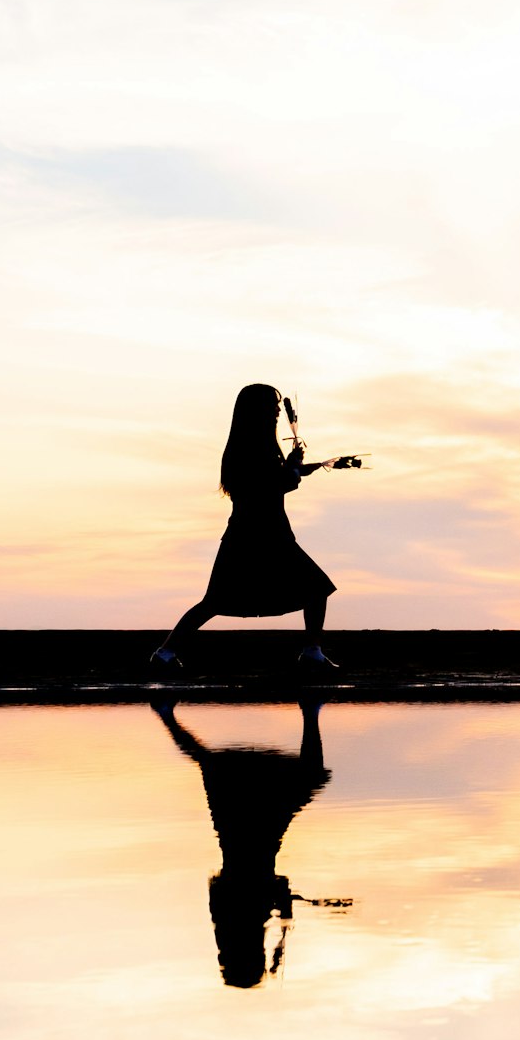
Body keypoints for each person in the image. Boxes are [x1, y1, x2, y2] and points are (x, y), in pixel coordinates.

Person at [157, 383, 360, 672]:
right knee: (314, 588)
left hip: (249, 530)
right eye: (272, 405)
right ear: (258, 410)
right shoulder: (256, 447)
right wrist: (291, 471)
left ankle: (165, 653)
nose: (278, 410)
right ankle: (311, 653)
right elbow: (273, 485)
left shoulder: (246, 446)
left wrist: (296, 466)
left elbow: (270, 480)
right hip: (264, 533)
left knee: (216, 601)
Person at [155, 695, 345, 989]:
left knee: (309, 775)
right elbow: (269, 886)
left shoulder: (236, 926)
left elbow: (270, 885)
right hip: (248, 835)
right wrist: (284, 914)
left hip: (254, 835)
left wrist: (285, 914)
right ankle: (166, 714)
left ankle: (310, 711)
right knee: (209, 762)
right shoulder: (231, 927)